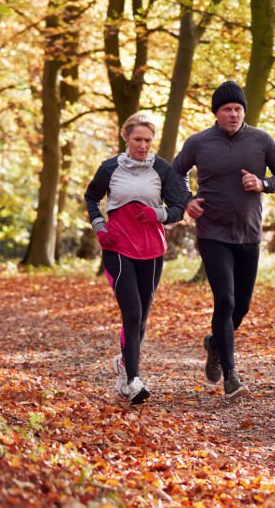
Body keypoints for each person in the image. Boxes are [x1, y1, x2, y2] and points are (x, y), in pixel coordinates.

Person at [172, 80, 275, 400]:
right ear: (216, 113)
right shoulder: (198, 143)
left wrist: (263, 184)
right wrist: (186, 201)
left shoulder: (261, 140)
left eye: (238, 109)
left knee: (242, 306)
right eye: (227, 109)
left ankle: (214, 343)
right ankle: (231, 376)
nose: (234, 114)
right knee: (224, 300)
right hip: (213, 234)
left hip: (249, 234)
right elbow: (175, 173)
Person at [84, 112, 191, 405]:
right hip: (117, 247)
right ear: (126, 138)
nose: (143, 145)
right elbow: (91, 197)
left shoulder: (162, 169)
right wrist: (99, 226)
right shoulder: (109, 168)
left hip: (152, 250)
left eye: (147, 140)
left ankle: (123, 364)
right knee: (131, 314)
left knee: (141, 319)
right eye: (137, 139)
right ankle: (133, 380)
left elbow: (180, 207)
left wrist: (158, 214)